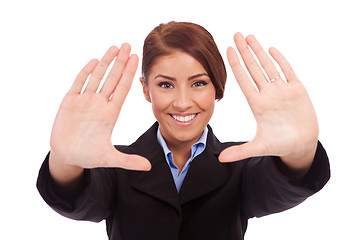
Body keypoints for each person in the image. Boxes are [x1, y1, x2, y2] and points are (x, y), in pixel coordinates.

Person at [37, 22, 330, 240]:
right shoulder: (116, 164)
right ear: (146, 89)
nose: (182, 102)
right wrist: (66, 163)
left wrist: (300, 153)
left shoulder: (239, 165)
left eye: (199, 83)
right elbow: (78, 202)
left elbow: (280, 187)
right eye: (165, 84)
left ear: (216, 87)